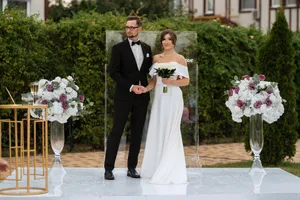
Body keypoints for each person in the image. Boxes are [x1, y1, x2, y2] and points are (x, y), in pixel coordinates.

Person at [104, 16, 153, 180]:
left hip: (142, 98)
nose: (129, 30)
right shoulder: (118, 48)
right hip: (124, 96)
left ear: (139, 28)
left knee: (137, 133)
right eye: (127, 27)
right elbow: (113, 73)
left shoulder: (147, 48)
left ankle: (132, 167)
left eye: (132, 27)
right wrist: (131, 87)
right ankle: (108, 168)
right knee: (116, 131)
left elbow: (148, 72)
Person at [141, 29, 189, 184]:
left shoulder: (180, 59)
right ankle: (156, 166)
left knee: (172, 130)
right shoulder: (156, 58)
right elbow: (154, 81)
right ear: (161, 42)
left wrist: (172, 82)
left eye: (169, 39)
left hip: (174, 97)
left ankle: (171, 168)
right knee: (158, 128)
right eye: (164, 39)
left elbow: (186, 81)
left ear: (174, 41)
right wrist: (145, 88)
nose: (166, 41)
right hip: (160, 98)